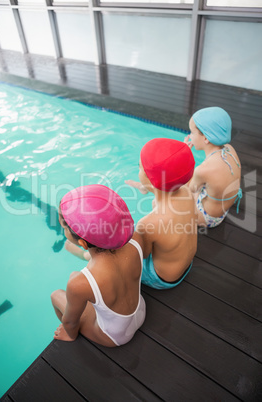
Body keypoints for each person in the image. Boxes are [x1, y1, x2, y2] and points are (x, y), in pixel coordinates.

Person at [51, 184, 146, 347]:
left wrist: (69, 332)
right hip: (141, 310)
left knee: (56, 294)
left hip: (115, 335)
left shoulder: (80, 284)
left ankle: (70, 338)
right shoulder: (136, 238)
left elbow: (71, 322)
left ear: (82, 243)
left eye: (64, 226)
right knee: (74, 275)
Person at [133, 138, 197, 290]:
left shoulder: (147, 224)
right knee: (156, 206)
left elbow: (143, 255)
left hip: (164, 278)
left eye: (140, 167)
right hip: (186, 264)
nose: (138, 169)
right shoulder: (187, 193)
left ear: (149, 178)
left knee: (120, 256)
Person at [184, 107, 242, 228]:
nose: (190, 136)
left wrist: (184, 157)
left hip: (207, 218)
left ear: (206, 138)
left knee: (169, 193)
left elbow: (188, 191)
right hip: (223, 208)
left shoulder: (203, 170)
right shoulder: (229, 148)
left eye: (192, 132)